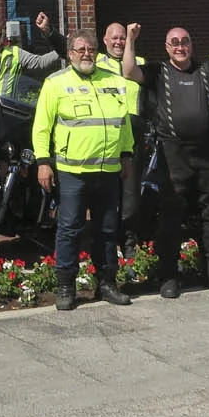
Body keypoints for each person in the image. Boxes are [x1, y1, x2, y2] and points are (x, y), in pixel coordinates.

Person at [141, 23, 209, 297]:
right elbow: (129, 71)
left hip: (207, 153)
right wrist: (131, 41)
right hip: (173, 154)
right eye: (174, 43)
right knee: (170, 215)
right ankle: (168, 276)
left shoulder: (208, 70)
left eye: (185, 42)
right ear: (167, 47)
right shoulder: (158, 72)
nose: (180, 47)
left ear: (192, 45)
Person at [32, 30, 135, 311]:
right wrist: (43, 162)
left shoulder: (113, 81)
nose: (86, 54)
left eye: (90, 49)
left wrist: (126, 155)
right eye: (80, 50)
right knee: (70, 229)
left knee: (107, 228)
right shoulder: (56, 83)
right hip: (72, 172)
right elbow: (42, 126)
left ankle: (107, 283)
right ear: (70, 54)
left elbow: (123, 122)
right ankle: (66, 286)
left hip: (109, 170)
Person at [96, 22, 145, 249]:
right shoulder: (95, 63)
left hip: (133, 134)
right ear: (104, 40)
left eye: (122, 38)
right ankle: (105, 241)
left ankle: (129, 240)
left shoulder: (139, 63)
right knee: (105, 191)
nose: (118, 42)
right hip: (104, 134)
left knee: (131, 192)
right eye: (114, 38)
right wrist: (48, 33)